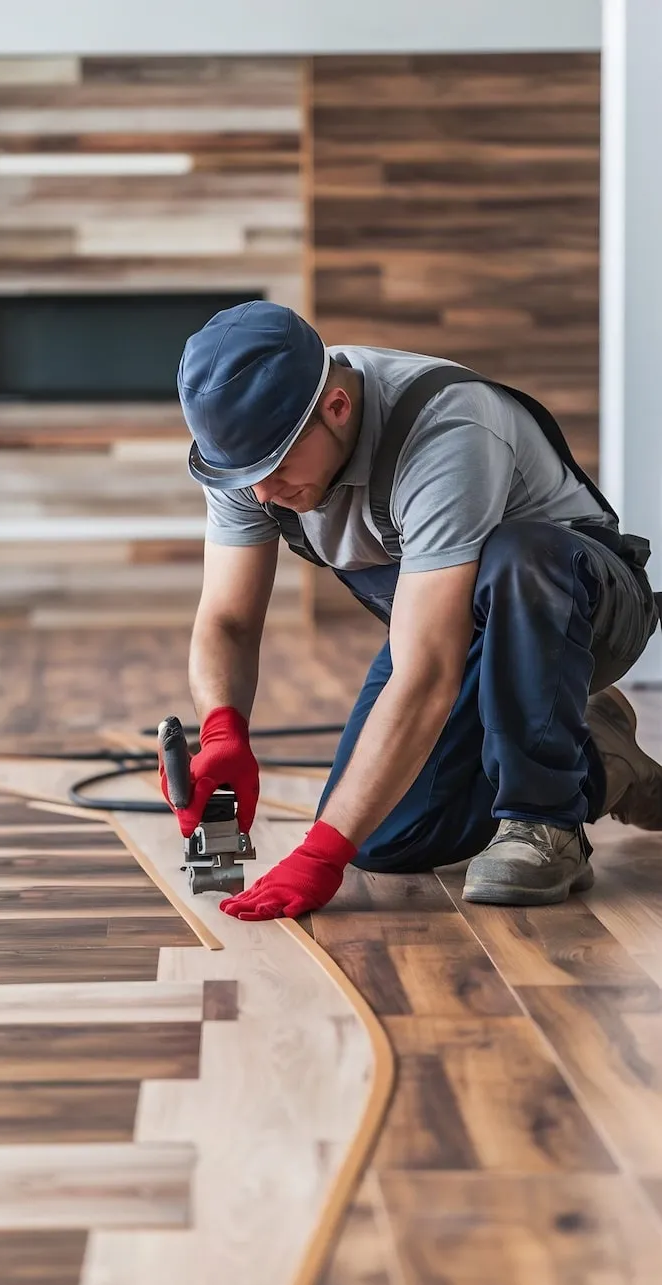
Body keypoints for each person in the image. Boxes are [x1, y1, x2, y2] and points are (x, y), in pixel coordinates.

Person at [159, 300, 662, 921]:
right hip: (456, 622)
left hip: (586, 609)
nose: (260, 493)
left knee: (516, 553)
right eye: (243, 477)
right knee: (381, 836)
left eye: (276, 468)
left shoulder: (446, 430)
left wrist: (319, 856)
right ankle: (600, 756)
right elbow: (229, 621)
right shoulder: (249, 451)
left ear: (336, 409)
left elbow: (424, 672)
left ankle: (544, 820)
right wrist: (222, 729)